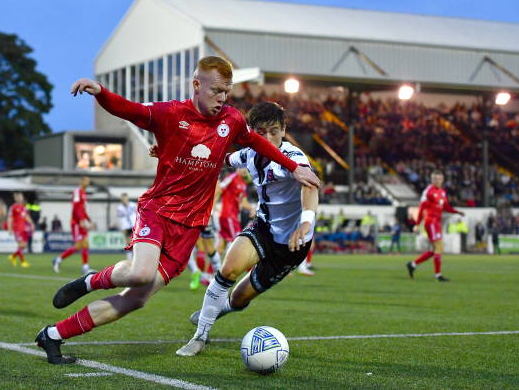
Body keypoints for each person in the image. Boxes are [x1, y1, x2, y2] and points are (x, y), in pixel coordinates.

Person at [34, 56, 320, 364]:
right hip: (159, 211)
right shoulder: (170, 113)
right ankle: (89, 281)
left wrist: (294, 167)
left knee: (136, 299)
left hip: (189, 227)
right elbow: (131, 110)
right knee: (141, 273)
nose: (222, 98)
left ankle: (52, 336)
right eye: (216, 91)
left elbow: (256, 144)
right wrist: (101, 92)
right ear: (197, 85)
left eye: (227, 91)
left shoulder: (232, 120)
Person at [176, 101, 319, 356]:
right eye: (260, 132)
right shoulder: (249, 154)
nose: (268, 137)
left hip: (291, 246)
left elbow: (310, 186)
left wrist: (306, 222)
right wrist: (176, 154)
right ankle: (200, 337)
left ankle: (215, 311)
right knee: (228, 269)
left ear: (284, 129)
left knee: (240, 298)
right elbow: (218, 157)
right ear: (251, 131)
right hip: (263, 227)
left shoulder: (294, 157)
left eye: (274, 130)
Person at [406, 171, 463, 282]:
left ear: (442, 180)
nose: (437, 181)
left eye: (439, 179)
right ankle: (438, 275)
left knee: (434, 250)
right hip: (430, 221)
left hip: (437, 222)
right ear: (432, 180)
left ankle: (412, 264)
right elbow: (422, 207)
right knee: (439, 246)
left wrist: (457, 212)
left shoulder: (442, 192)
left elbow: (446, 207)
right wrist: (418, 224)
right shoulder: (428, 192)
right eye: (435, 179)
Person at [52, 177, 93, 275]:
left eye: (88, 181)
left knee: (85, 243)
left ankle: (85, 267)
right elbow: (76, 207)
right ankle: (58, 259)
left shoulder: (83, 193)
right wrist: (81, 220)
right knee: (78, 245)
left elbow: (82, 209)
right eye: (86, 181)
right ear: (82, 181)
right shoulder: (78, 192)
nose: (87, 183)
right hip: (76, 223)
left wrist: (88, 219)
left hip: (81, 222)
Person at [7, 192, 35, 268]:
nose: (20, 198)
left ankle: (13, 256)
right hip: (17, 229)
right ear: (15, 198)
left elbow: (26, 216)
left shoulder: (23, 207)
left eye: (21, 197)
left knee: (24, 246)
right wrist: (9, 228)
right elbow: (10, 218)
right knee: (21, 245)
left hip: (24, 229)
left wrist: (32, 224)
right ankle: (23, 262)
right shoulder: (13, 207)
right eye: (18, 197)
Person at [116, 193, 137, 259]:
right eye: (123, 198)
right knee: (128, 243)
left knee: (136, 243)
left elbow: (138, 214)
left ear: (127, 198)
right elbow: (121, 219)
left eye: (125, 198)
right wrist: (123, 228)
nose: (124, 200)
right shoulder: (119, 208)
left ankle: (136, 258)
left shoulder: (133, 205)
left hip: (135, 226)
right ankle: (129, 259)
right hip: (126, 227)